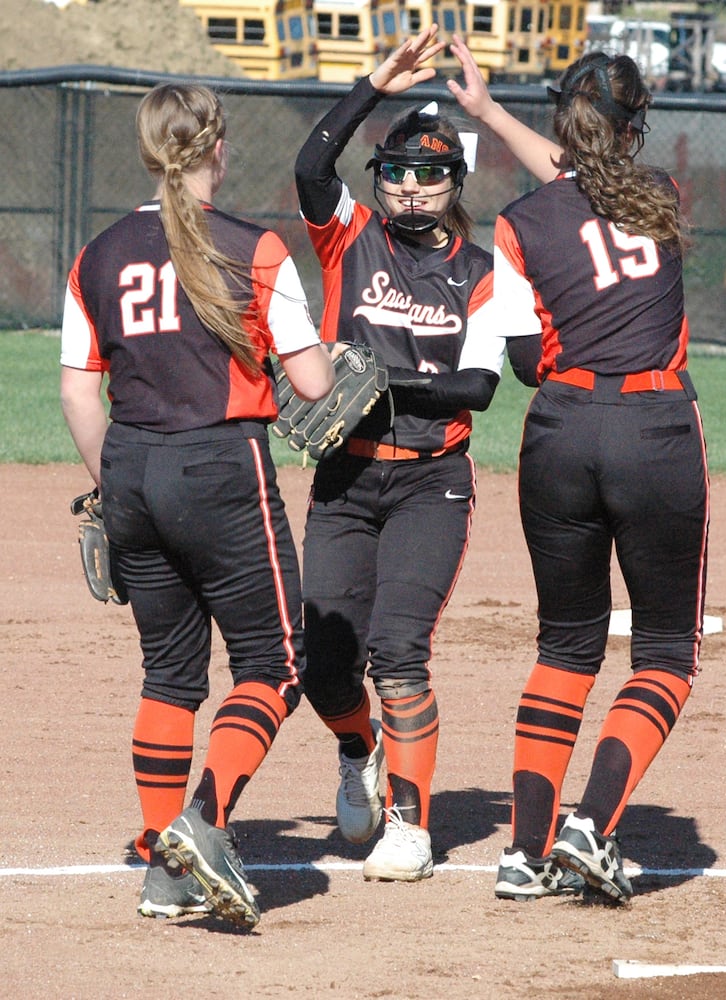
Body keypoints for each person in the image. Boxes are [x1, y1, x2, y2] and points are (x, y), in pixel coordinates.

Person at [59, 82, 335, 928]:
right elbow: (314, 383)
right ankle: (200, 823)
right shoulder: (255, 249)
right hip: (221, 467)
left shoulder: (97, 253)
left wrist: (122, 481)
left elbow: (78, 392)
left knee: (169, 674)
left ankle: (161, 865)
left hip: (132, 467)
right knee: (276, 665)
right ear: (219, 147)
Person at [481, 51, 710, 904]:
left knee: (565, 648)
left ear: (558, 124)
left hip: (560, 435)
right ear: (631, 127)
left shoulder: (516, 222)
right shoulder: (661, 197)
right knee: (663, 654)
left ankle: (523, 852)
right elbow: (595, 184)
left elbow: (519, 363)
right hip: (653, 430)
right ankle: (591, 824)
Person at [293, 26, 520, 883]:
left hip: (432, 482)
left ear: (454, 185)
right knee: (321, 666)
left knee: (397, 650)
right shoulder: (348, 238)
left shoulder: (484, 271)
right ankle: (358, 750)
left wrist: (375, 380)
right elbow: (313, 170)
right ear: (378, 180)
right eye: (395, 171)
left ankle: (411, 825)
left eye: (430, 174)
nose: (411, 187)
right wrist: (371, 90)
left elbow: (475, 391)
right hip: (345, 476)